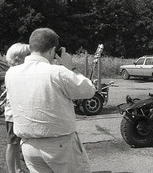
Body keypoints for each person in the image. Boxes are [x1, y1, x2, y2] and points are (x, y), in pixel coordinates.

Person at [5, 28, 96, 173]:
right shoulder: (57, 72)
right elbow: (89, 90)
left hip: (29, 145)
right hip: (59, 146)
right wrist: (70, 66)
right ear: (53, 50)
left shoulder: (11, 74)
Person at [5, 43, 30, 173]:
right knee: (12, 144)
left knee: (17, 144)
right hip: (13, 115)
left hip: (18, 113)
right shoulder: (14, 72)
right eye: (28, 55)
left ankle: (18, 168)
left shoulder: (16, 71)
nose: (30, 57)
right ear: (18, 58)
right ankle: (12, 170)